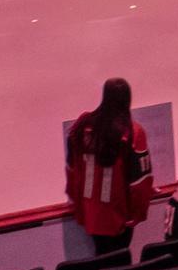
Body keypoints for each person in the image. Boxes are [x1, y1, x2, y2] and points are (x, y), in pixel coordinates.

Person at [64, 77, 156, 257]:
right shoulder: (133, 132)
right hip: (118, 214)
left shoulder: (82, 126)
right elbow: (140, 182)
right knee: (120, 261)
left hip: (90, 212)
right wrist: (137, 214)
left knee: (102, 260)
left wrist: (76, 202)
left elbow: (71, 169)